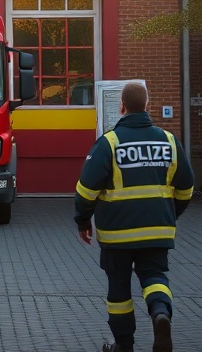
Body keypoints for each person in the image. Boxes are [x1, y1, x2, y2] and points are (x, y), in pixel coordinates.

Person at [74, 82, 194, 352]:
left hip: (117, 235)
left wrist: (82, 221)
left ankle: (123, 345)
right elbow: (187, 188)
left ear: (122, 107)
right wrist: (170, 215)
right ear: (148, 105)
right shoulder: (169, 141)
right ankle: (161, 314)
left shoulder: (109, 143)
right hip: (157, 232)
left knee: (118, 290)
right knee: (155, 277)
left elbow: (86, 190)